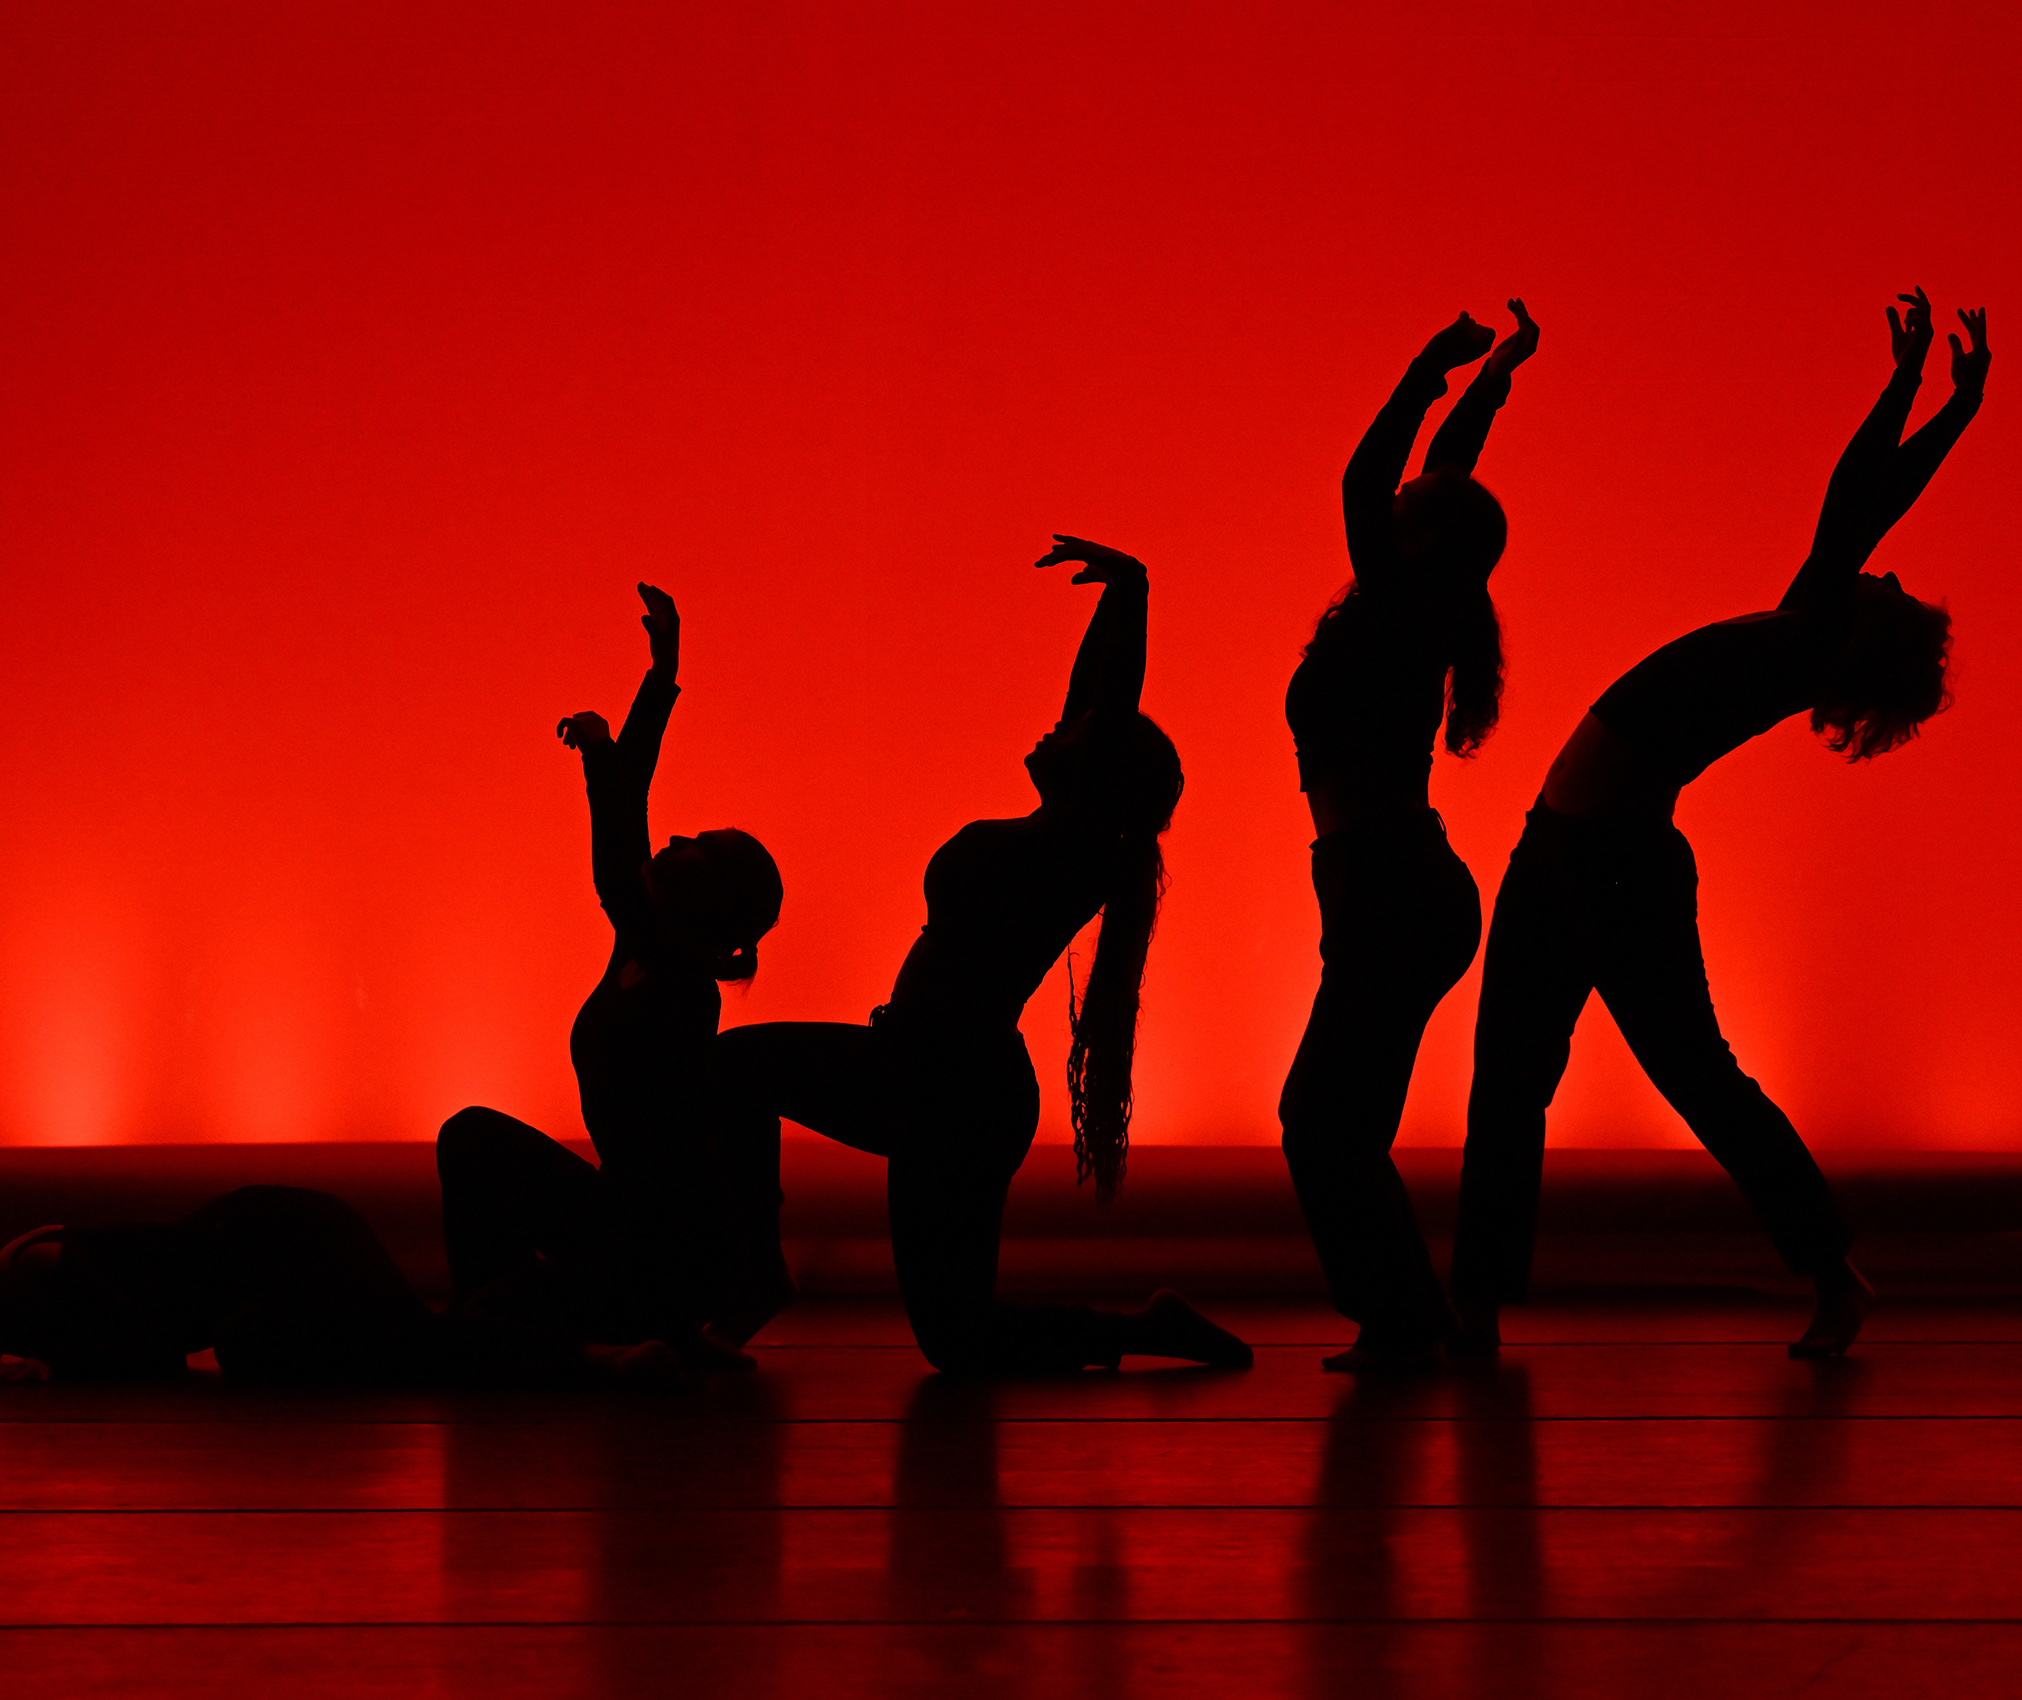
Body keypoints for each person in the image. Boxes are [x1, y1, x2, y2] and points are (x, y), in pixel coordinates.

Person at [1451, 291, 1990, 1360]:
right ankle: (1472, 1308)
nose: (1882, 568)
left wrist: (1916, 383)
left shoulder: (1806, 634)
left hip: (1615, 867)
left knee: (1694, 1075)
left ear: (1860, 635)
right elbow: (1865, 507)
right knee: (1510, 1076)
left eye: (1887, 586)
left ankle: (1833, 1270)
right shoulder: (1803, 625)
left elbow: (1862, 498)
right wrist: (1943, 397)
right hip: (1554, 847)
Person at [711, 538, 1252, 1375]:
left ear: (1097, 772)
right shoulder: (1065, 837)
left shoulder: (1079, 849)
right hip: (931, 1073)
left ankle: (756, 1274)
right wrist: (1111, 605)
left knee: (957, 1341)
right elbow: (1092, 710)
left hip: (951, 1087)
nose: (1056, 727)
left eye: (1077, 735)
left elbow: (1105, 710)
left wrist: (1136, 592)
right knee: (958, 1339)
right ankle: (1145, 1327)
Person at [1281, 301, 1540, 1372]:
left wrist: (1426, 363)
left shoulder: (1399, 606)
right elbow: (1445, 473)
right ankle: (1406, 1316)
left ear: (1418, 540)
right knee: (1333, 1121)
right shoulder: (1418, 602)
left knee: (1322, 1121)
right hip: (1394, 890)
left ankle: (1404, 1319)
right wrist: (1488, 384)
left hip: (1393, 890)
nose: (1392, 504)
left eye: (1409, 508)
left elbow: (1368, 480)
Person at [438, 582, 785, 1376]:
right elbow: (636, 805)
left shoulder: (679, 981)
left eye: (701, 845)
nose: (676, 836)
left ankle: (556, 1348)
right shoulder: (644, 948)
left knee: (478, 1329)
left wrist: (598, 753)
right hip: (622, 1216)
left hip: (670, 1255)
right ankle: (497, 1329)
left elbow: (616, 862)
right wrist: (660, 676)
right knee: (471, 1138)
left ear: (711, 903)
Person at [0, 1184, 661, 1385]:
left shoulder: (35, 1279)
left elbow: (151, 1357)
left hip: (279, 1242)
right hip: (273, 1246)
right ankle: (604, 1347)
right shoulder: (16, 1279)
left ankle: (609, 1357)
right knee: (413, 1343)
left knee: (416, 1346)